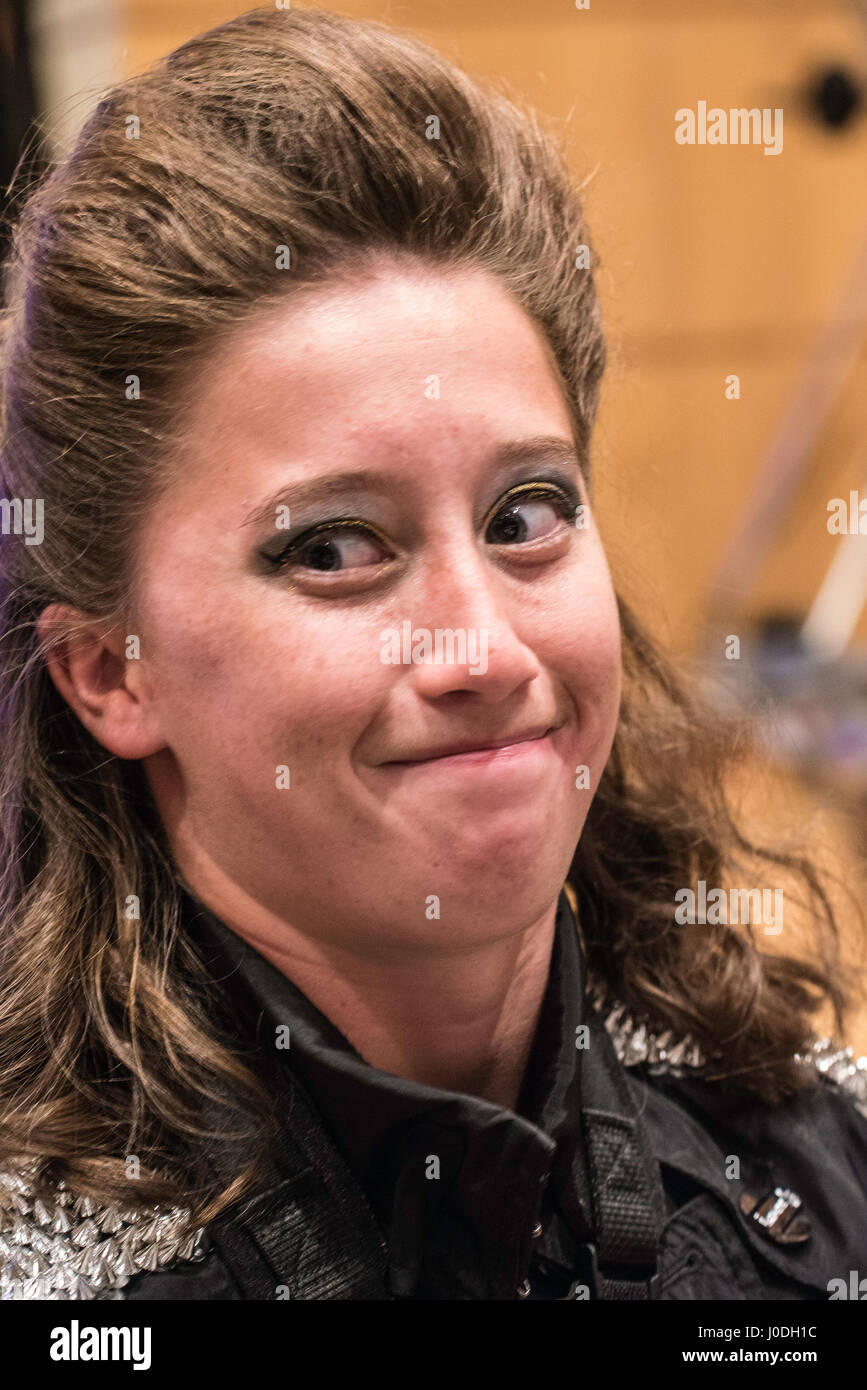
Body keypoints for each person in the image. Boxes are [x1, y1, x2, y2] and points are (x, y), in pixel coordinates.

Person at [0, 6, 865, 1302]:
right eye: (334, 548)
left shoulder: (821, 1159)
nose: (485, 650)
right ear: (112, 671)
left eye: (525, 516)